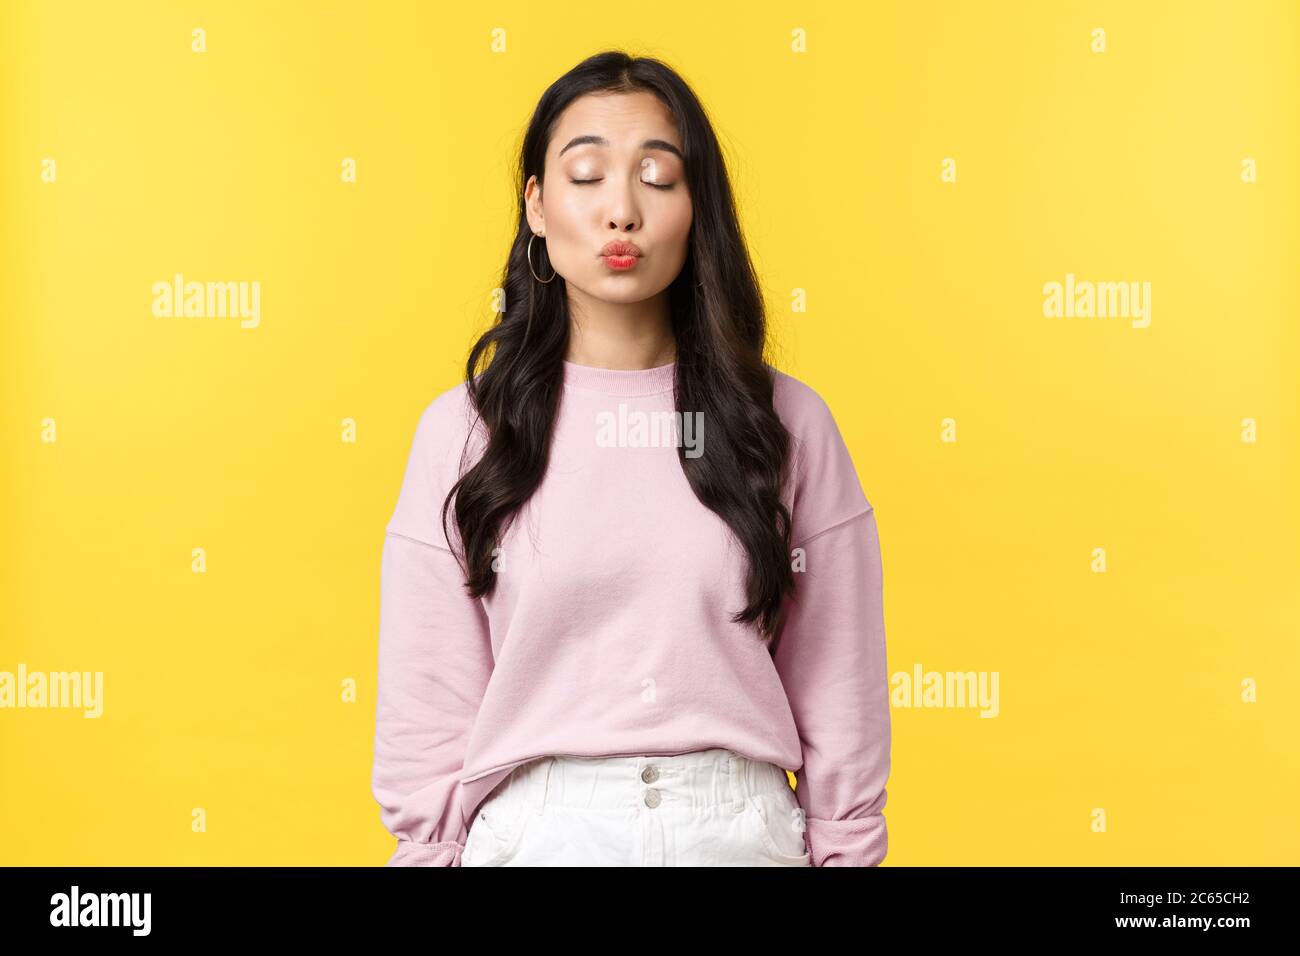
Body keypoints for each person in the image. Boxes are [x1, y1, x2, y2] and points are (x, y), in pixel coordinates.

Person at [370, 49, 890, 866]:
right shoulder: (464, 433)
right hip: (536, 833)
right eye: (586, 175)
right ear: (536, 206)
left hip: (739, 830)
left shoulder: (786, 421)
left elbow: (841, 688)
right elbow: (426, 713)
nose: (622, 211)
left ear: (698, 206)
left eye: (657, 176)